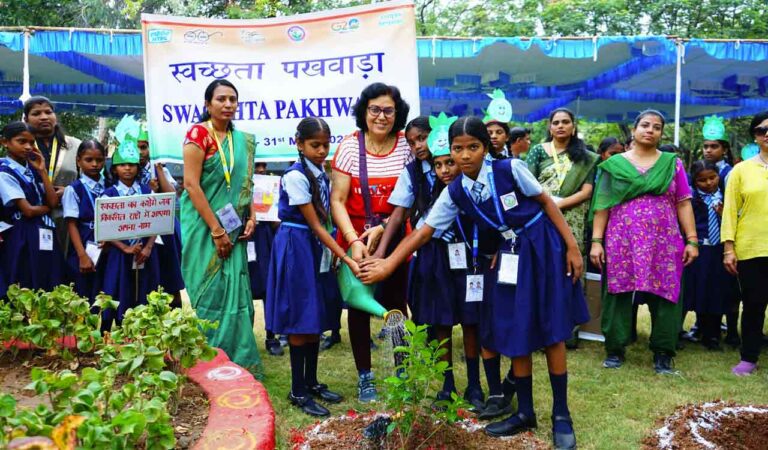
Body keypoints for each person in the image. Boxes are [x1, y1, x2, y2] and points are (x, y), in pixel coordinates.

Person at [359, 116, 588, 450]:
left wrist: (571, 246)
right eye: (457, 149)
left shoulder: (510, 169)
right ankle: (525, 412)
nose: (464, 156)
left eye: (473, 147)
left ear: (485, 148)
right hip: (509, 254)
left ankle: (561, 415)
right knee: (515, 326)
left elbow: (545, 203)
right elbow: (424, 231)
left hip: (542, 247)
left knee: (551, 328)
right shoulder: (456, 191)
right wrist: (389, 263)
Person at [378, 114, 486, 411]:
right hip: (432, 253)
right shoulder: (412, 173)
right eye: (411, 141)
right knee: (440, 320)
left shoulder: (467, 172)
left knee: (471, 318)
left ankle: (475, 384)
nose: (418, 146)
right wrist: (381, 254)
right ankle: (447, 384)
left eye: (422, 138)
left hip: (467, 253)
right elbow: (399, 214)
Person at [590, 110, 698, 374]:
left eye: (657, 127)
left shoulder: (673, 164)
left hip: (665, 241)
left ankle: (663, 353)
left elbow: (683, 203)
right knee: (618, 290)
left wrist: (692, 240)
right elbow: (602, 206)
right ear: (634, 130)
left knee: (667, 293)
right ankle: (614, 350)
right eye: (645, 125)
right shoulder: (612, 166)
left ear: (661, 133)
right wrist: (596, 241)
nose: (650, 130)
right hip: (621, 239)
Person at [266, 117, 358, 417]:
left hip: (317, 245)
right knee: (300, 313)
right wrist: (342, 254)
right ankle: (297, 389)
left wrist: (332, 249)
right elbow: (315, 224)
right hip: (298, 244)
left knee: (316, 310)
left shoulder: (322, 172)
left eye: (325, 145)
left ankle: (312, 381)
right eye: (314, 145)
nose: (321, 150)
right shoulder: (295, 176)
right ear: (299, 144)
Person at [330, 82, 413, 402]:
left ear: (397, 113)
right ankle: (365, 377)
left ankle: (402, 371)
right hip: (357, 239)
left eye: (388, 110)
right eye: (374, 109)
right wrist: (352, 240)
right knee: (359, 306)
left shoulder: (406, 146)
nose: (381, 116)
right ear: (364, 112)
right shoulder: (350, 147)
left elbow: (410, 199)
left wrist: (386, 234)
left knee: (396, 305)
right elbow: (338, 200)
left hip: (395, 238)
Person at [181, 79, 261, 372]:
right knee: (211, 290)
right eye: (221, 99)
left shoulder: (242, 140)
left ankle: (238, 357)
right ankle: (211, 358)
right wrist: (216, 230)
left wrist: (251, 217)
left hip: (235, 227)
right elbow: (191, 184)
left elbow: (245, 184)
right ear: (208, 104)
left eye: (233, 100)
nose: (228, 105)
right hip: (204, 228)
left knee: (237, 289)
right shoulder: (198, 134)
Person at [99, 123, 161, 331]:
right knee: (115, 289)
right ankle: (107, 331)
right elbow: (104, 227)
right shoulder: (108, 194)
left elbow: (156, 220)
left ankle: (142, 332)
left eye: (132, 164)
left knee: (143, 290)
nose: (127, 168)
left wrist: (148, 247)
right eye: (122, 164)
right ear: (114, 168)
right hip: (119, 253)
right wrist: (124, 247)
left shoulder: (146, 191)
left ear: (138, 166)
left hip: (143, 252)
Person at [722, 111, 768, 376]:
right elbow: (729, 210)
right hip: (752, 248)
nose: (767, 134)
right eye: (763, 130)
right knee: (753, 305)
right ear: (755, 136)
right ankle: (749, 357)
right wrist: (729, 248)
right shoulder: (741, 170)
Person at [0, 121, 64, 298]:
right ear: (5, 142)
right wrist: (47, 208)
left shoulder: (32, 167)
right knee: (25, 280)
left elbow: (52, 200)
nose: (28, 147)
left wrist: (43, 171)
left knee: (47, 280)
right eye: (22, 142)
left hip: (43, 230)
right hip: (22, 233)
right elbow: (28, 210)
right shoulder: (4, 172)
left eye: (31, 142)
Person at [526, 108, 599, 254]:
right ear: (550, 128)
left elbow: (586, 192)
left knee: (569, 262)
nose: (560, 126)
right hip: (541, 213)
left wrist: (558, 205)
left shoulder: (587, 157)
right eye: (556, 123)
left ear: (573, 127)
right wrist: (548, 206)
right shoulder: (538, 150)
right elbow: (528, 185)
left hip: (572, 215)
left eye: (565, 122)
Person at [683, 160, 738, 351]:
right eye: (702, 180)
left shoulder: (727, 197)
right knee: (694, 290)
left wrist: (723, 214)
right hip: (699, 251)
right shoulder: (690, 199)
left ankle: (712, 335)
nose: (708, 183)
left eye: (712, 178)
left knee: (717, 292)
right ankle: (681, 331)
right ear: (694, 181)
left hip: (719, 251)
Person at [23, 96, 82, 248]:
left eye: (48, 112)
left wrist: (70, 190)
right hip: (32, 216)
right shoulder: (21, 148)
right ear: (26, 119)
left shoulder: (75, 145)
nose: (44, 117)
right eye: (36, 114)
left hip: (68, 217)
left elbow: (93, 181)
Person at [137, 125, 184, 308]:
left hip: (164, 230)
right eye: (138, 147)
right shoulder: (126, 169)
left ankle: (175, 317)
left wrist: (158, 167)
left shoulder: (157, 168)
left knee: (169, 276)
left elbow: (172, 195)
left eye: (144, 147)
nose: (141, 152)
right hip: (139, 229)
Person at [62, 140, 109, 303]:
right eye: (89, 160)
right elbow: (71, 224)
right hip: (84, 244)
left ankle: (105, 328)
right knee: (83, 295)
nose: (95, 164)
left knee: (107, 292)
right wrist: (82, 255)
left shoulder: (111, 186)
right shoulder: (73, 189)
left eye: (100, 160)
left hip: (109, 246)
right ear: (78, 160)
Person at [248, 162, 283, 356]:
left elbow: (277, 224)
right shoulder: (235, 186)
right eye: (256, 166)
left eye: (263, 166)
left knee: (268, 288)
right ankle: (246, 338)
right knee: (243, 292)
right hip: (243, 240)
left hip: (264, 241)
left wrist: (272, 213)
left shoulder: (270, 185)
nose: (260, 170)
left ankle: (271, 337)